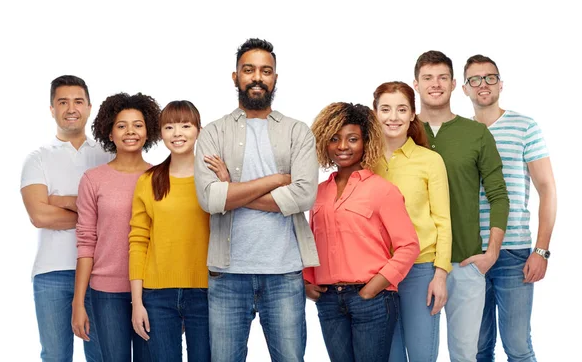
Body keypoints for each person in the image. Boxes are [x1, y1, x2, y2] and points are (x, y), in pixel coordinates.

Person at [194, 38, 319, 362]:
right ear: (235, 76)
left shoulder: (298, 131)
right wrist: (277, 180)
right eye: (249, 70)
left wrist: (232, 189)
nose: (257, 77)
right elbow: (210, 198)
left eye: (266, 70)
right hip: (228, 274)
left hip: (284, 274)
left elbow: (304, 195)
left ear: (275, 78)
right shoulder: (213, 132)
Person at [304, 102, 419, 362]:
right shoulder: (317, 192)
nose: (343, 146)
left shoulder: (382, 190)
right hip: (329, 300)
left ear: (366, 142)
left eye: (352, 139)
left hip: (372, 299)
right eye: (335, 139)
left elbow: (408, 246)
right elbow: (310, 240)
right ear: (325, 143)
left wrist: (373, 287)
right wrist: (307, 281)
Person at [413, 50, 510, 362]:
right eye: (428, 77)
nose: (436, 84)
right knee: (416, 355)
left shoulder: (476, 133)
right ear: (416, 84)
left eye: (442, 77)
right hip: (415, 263)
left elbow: (498, 195)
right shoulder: (402, 130)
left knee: (466, 355)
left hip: (465, 262)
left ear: (454, 84)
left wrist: (492, 252)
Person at [462, 54, 557, 362]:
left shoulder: (524, 127)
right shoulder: (459, 133)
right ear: (464, 88)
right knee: (477, 348)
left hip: (514, 252)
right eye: (474, 79)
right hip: (470, 254)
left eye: (490, 78)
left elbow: (547, 189)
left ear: (501, 84)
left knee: (517, 346)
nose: (483, 85)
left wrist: (541, 251)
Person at [20, 75, 108, 362]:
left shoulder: (108, 155)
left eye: (78, 101)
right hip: (52, 273)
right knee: (56, 356)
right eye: (63, 102)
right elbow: (39, 215)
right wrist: (93, 211)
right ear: (52, 109)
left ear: (89, 106)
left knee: (103, 355)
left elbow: (120, 214)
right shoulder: (37, 158)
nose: (71, 108)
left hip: (101, 272)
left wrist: (61, 201)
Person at [129, 101, 221, 362]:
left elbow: (230, 226)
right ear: (161, 133)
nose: (177, 133)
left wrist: (225, 183)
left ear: (199, 131)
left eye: (185, 125)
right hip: (157, 295)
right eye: (169, 126)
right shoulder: (148, 181)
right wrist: (137, 303)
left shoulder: (213, 178)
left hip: (206, 291)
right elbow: (138, 241)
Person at [72, 92, 160, 362]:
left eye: (137, 124)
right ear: (109, 133)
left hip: (153, 290)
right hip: (106, 292)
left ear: (148, 132)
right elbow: (86, 241)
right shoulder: (93, 179)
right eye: (121, 125)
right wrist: (78, 302)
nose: (130, 131)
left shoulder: (161, 177)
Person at [372, 81, 452, 362]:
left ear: (412, 115)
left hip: (420, 271)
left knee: (421, 355)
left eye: (401, 109)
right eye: (385, 109)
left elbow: (443, 221)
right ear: (375, 113)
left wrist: (440, 275)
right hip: (378, 273)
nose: (393, 117)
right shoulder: (364, 162)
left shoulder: (430, 161)